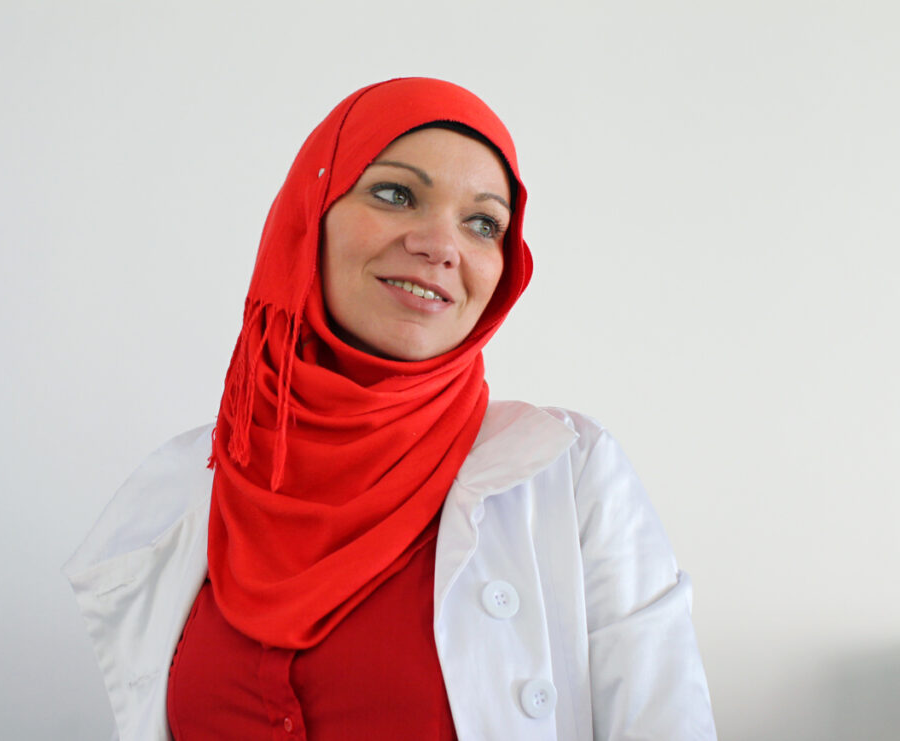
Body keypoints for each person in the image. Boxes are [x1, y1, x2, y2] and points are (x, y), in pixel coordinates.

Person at [65, 77, 717, 741]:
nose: (441, 245)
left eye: (483, 223)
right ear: (310, 215)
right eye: (396, 194)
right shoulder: (196, 481)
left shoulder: (572, 477)